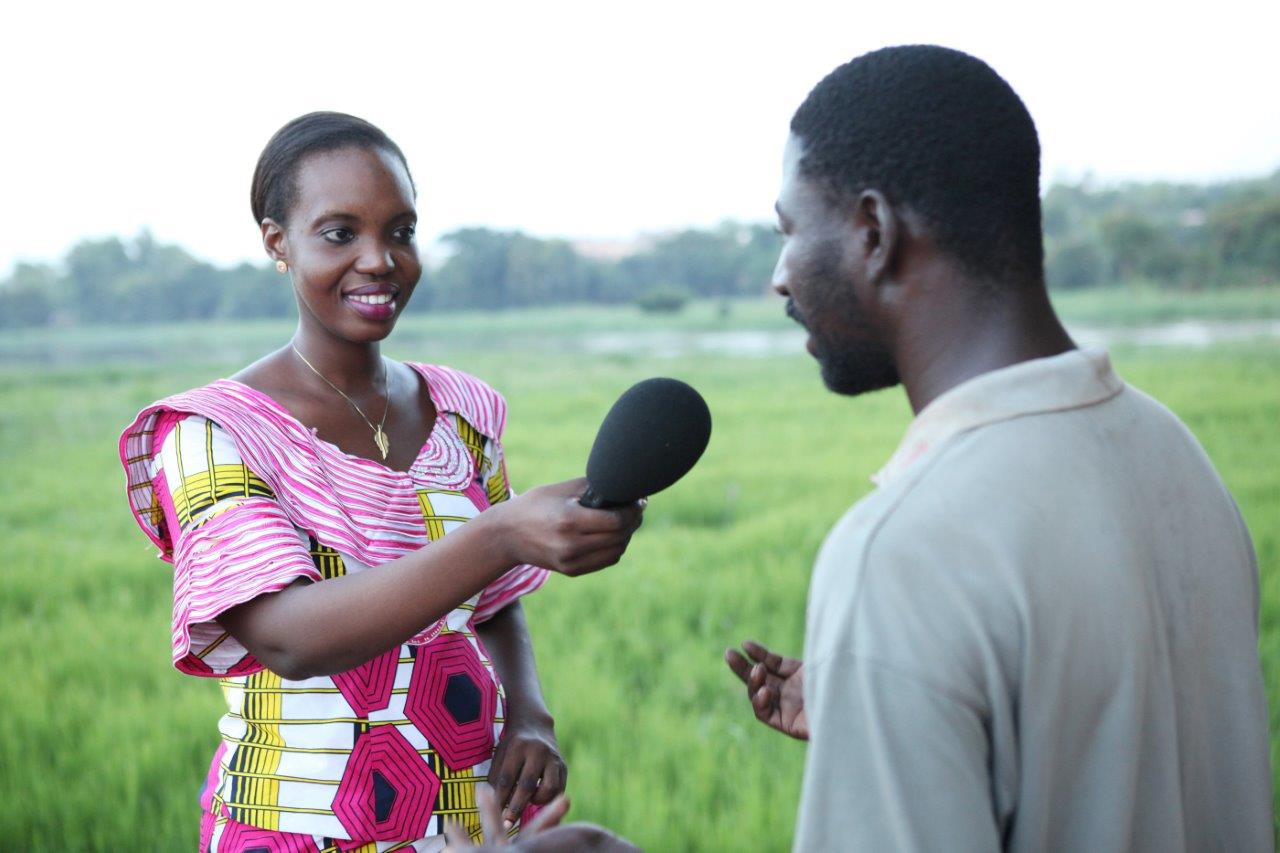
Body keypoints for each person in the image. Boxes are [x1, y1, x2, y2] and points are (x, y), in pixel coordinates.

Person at [725, 45, 1274, 850]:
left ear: (874, 232)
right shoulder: (1175, 454)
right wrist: (907, 698)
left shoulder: (904, 553)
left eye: (789, 231)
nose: (780, 276)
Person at [118, 112, 644, 851]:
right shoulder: (216, 431)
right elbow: (289, 636)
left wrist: (527, 711)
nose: (381, 259)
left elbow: (492, 604)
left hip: (469, 821)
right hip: (296, 828)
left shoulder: (462, 413)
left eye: (400, 230)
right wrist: (498, 533)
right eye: (340, 233)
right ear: (278, 242)